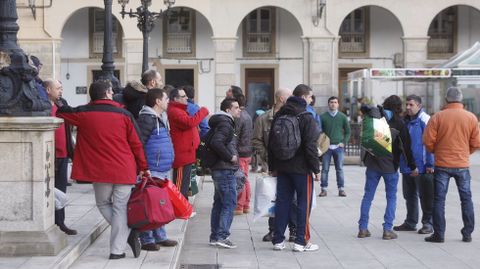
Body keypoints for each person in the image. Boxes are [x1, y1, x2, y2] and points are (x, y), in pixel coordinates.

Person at [57, 80, 148, 259]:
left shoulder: (83, 113)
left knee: (103, 203)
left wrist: (59, 101)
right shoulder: (125, 114)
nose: (113, 93)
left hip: (100, 171)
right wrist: (144, 166)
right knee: (121, 208)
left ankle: (127, 235)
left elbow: (62, 113)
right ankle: (117, 250)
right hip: (124, 168)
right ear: (107, 93)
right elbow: (137, 144)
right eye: (111, 91)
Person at [423, 87, 480, 243]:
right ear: (460, 99)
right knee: (466, 199)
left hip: (442, 164)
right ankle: (467, 233)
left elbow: (428, 141)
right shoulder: (471, 118)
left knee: (439, 200)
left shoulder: (438, 117)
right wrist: (465, 153)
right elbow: (476, 142)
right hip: (462, 164)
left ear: (446, 99)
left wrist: (436, 151)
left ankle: (439, 234)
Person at [268, 84, 321, 252]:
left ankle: (277, 240)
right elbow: (310, 146)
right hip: (302, 168)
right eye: (311, 96)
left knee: (282, 202)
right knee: (303, 204)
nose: (312, 100)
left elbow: (271, 143)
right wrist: (316, 169)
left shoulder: (280, 115)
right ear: (304, 97)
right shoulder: (306, 117)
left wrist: (273, 167)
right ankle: (301, 241)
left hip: (283, 166)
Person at [358, 95, 417, 240]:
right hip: (390, 166)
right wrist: (412, 166)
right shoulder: (399, 123)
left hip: (372, 164)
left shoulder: (375, 117)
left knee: (368, 196)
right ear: (399, 107)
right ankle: (387, 229)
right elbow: (406, 148)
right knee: (391, 198)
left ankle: (363, 228)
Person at [252, 87, 296, 242]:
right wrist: (267, 157)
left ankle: (293, 230)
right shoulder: (263, 119)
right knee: (273, 197)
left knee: (292, 198)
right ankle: (273, 230)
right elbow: (256, 140)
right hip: (272, 166)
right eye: (289, 96)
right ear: (281, 99)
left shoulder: (295, 116)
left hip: (291, 165)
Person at [136, 88, 178, 251]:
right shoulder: (147, 119)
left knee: (159, 204)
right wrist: (143, 167)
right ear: (157, 101)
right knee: (149, 204)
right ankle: (146, 239)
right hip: (152, 169)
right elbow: (139, 143)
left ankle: (160, 236)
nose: (168, 101)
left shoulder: (160, 117)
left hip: (161, 169)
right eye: (166, 98)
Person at [394, 95, 435, 234]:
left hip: (422, 167)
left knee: (425, 196)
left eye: (411, 105)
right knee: (409, 195)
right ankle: (411, 222)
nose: (408, 107)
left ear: (419, 105)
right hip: (407, 166)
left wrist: (430, 164)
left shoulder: (425, 119)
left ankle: (428, 223)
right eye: (407, 105)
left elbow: (430, 143)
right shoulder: (405, 121)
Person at [207, 97, 241, 249]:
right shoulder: (226, 124)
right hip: (225, 168)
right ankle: (222, 236)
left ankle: (215, 236)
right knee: (229, 203)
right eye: (236, 107)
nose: (239, 110)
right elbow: (216, 142)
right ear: (228, 110)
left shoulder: (220, 122)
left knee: (219, 203)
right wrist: (230, 156)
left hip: (219, 168)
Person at [44, 79, 77, 236]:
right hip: (51, 155)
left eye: (61, 88)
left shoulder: (61, 104)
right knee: (51, 189)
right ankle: (52, 221)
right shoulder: (43, 107)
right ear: (48, 89)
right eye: (58, 88)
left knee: (61, 190)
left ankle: (61, 222)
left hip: (63, 154)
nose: (61, 91)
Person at [168, 87, 209, 199]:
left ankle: (184, 208)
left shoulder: (179, 109)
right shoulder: (175, 111)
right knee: (181, 185)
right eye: (183, 96)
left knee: (185, 184)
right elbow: (190, 123)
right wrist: (203, 111)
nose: (186, 98)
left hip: (187, 151)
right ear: (176, 99)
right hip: (182, 153)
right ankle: (181, 210)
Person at [319, 96, 351, 197]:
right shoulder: (323, 117)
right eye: (331, 102)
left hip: (338, 147)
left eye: (335, 102)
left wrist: (343, 142)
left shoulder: (342, 117)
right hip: (326, 148)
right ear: (328, 104)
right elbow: (319, 131)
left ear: (338, 104)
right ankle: (323, 189)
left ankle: (341, 189)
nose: (333, 104)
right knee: (324, 169)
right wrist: (321, 144)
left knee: (340, 169)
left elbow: (348, 132)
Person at [232, 93, 253, 215]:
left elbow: (236, 135)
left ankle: (240, 205)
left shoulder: (239, 116)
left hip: (241, 151)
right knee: (245, 178)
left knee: (240, 178)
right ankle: (246, 204)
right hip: (247, 150)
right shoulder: (248, 115)